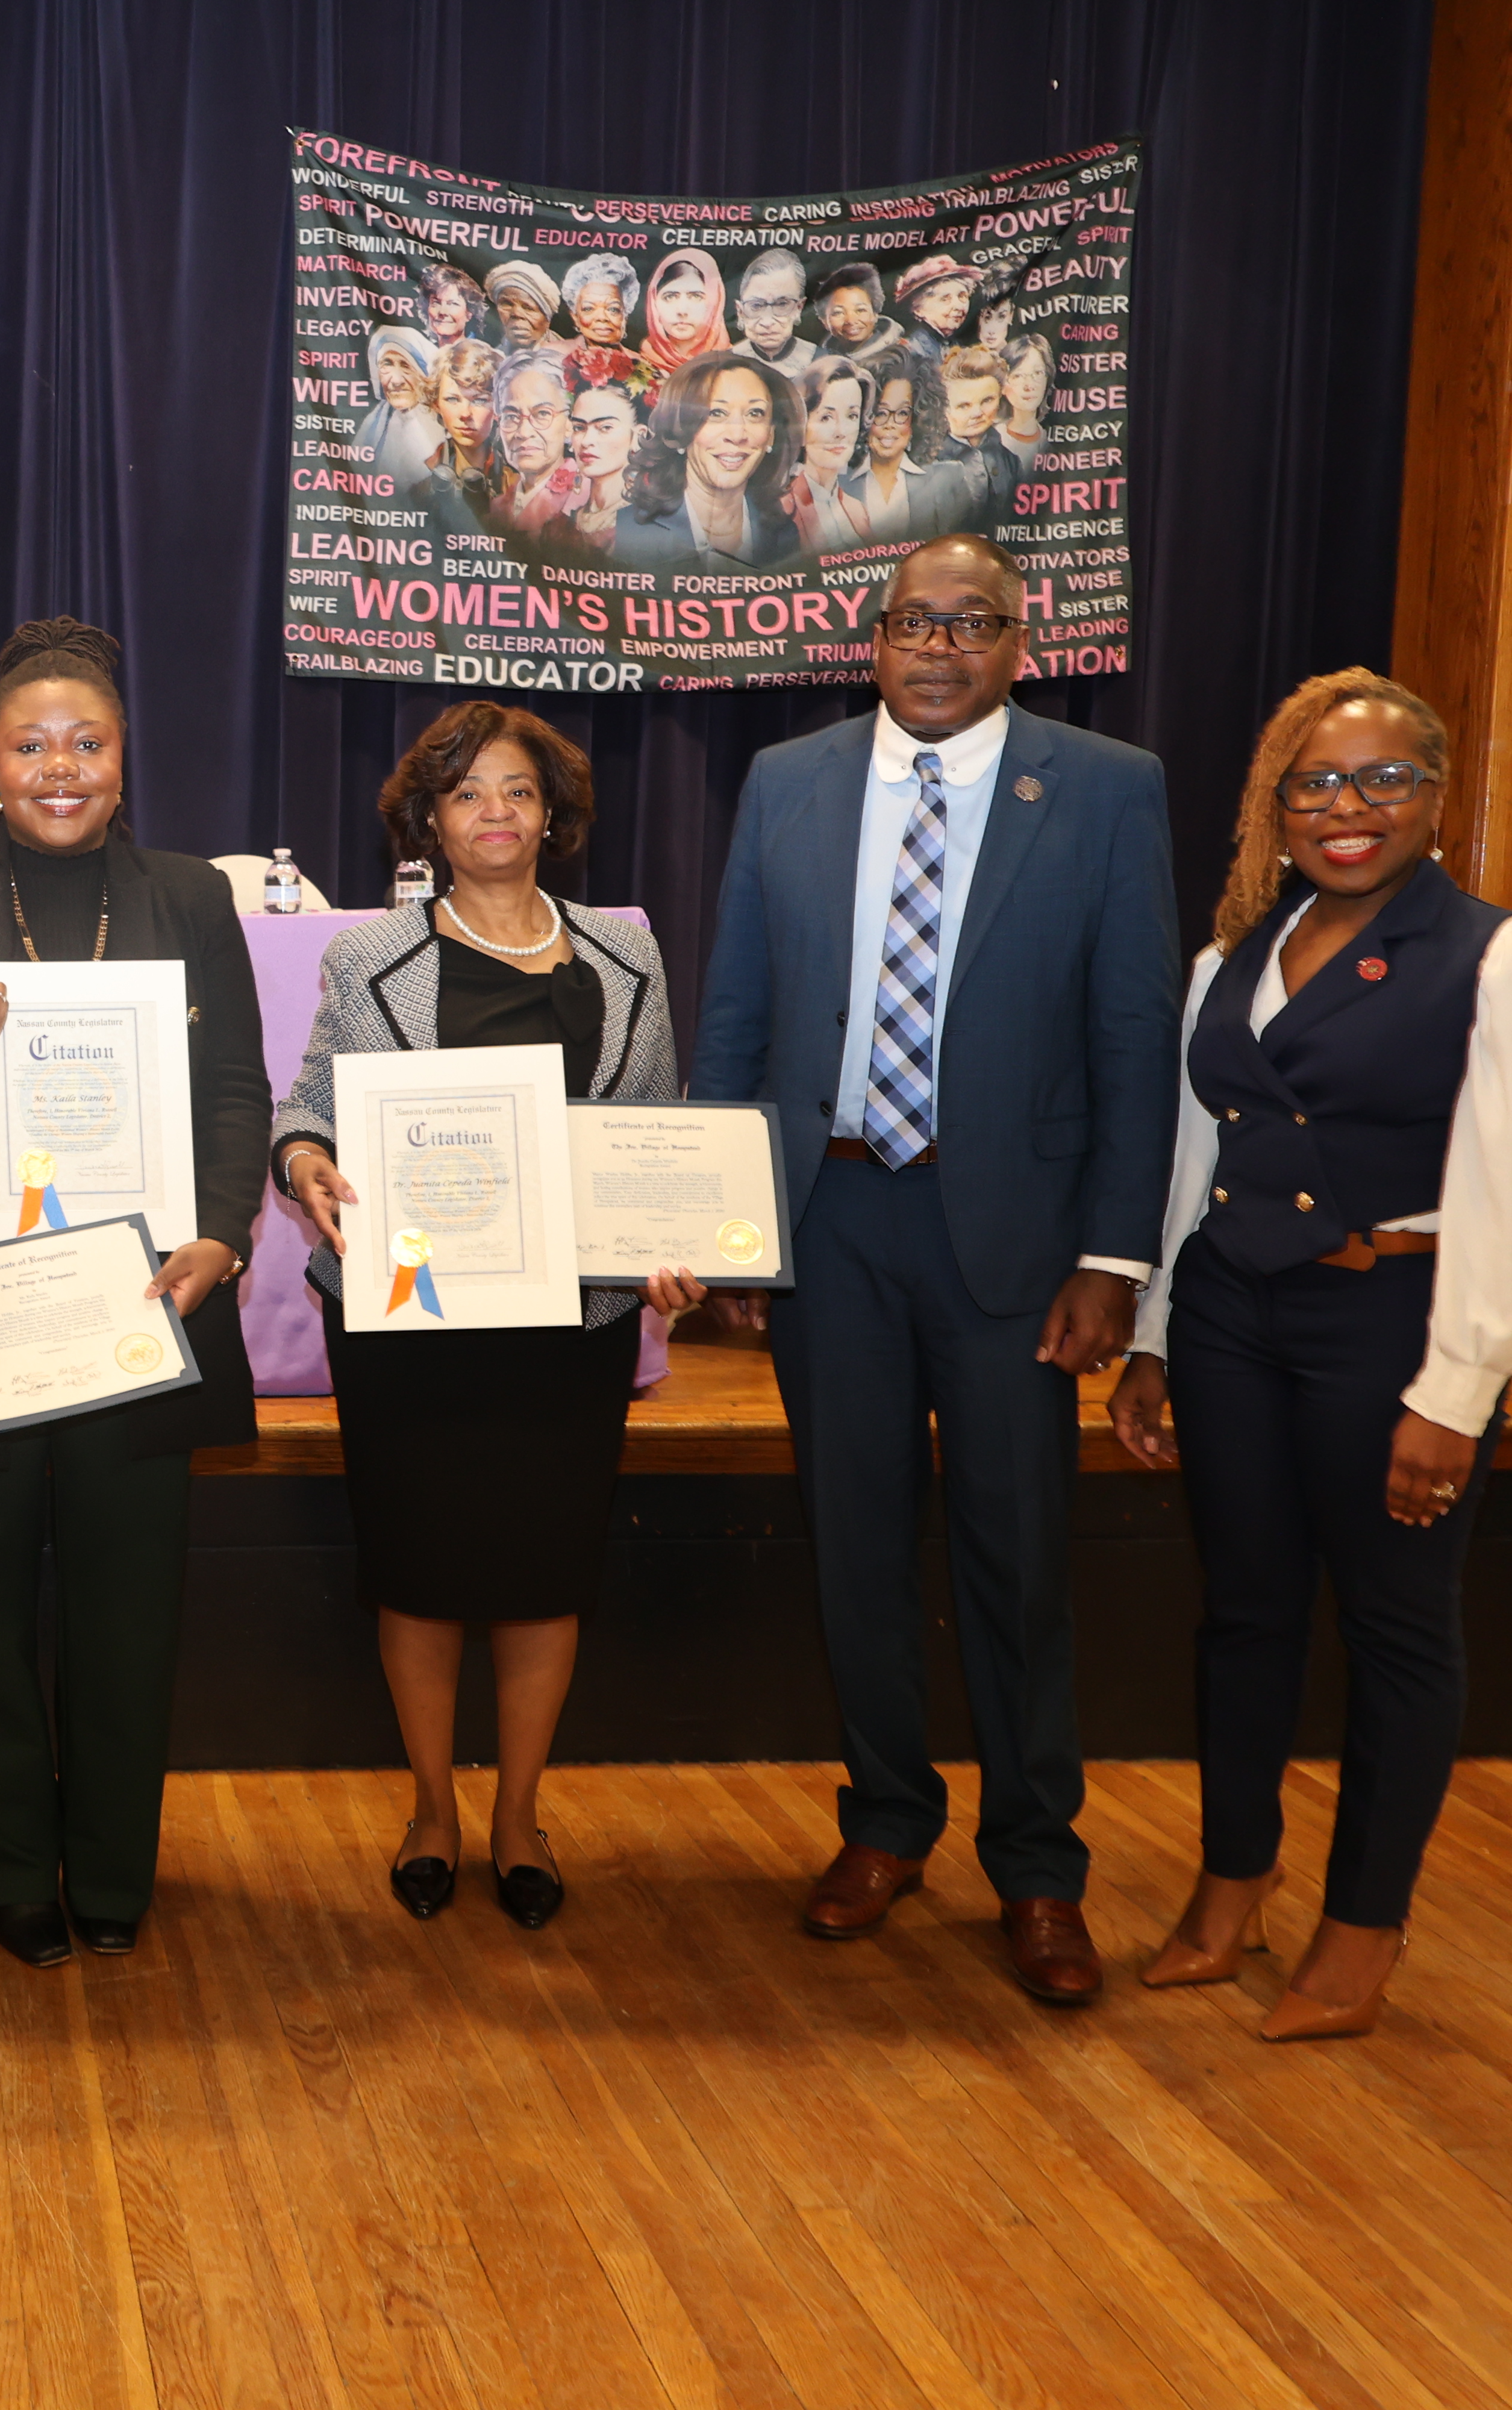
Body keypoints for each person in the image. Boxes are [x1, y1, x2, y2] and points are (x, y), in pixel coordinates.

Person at [691, 533, 1181, 2004]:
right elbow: (737, 1013)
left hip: (1015, 1240)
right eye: (916, 620)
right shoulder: (788, 780)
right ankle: (887, 1822)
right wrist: (733, 1222)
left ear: (1022, 643)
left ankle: (1038, 1865)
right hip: (832, 1219)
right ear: (876, 635)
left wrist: (1114, 1257)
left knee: (1017, 1557)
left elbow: (1133, 1038)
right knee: (853, 1543)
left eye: (974, 623)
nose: (940, 647)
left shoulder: (1106, 789)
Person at [0, 616, 269, 1969]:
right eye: (31, 744)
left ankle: (115, 1868)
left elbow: (235, 1090)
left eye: (86, 742)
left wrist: (224, 1233)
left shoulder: (187, 896)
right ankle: (7, 1864)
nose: (59, 766)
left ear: (124, 760)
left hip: (143, 1298)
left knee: (130, 1600)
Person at [1110, 671, 1505, 2040]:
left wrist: (1457, 1392)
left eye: (1384, 780)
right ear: (1274, 808)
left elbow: (1502, 1196)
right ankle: (1234, 1877)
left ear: (1434, 797)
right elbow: (1194, 1161)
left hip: (1390, 1324)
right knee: (1243, 1612)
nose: (1348, 808)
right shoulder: (1232, 957)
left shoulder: (1490, 958)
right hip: (1230, 1318)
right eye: (1316, 784)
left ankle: (1362, 1920)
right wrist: (1154, 1338)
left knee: (1396, 1627)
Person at [272, 705, 690, 1931]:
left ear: (552, 815)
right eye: (466, 793)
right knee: (418, 1570)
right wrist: (305, 1161)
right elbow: (307, 1104)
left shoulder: (625, 953)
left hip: (573, 1321)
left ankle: (516, 1814)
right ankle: (430, 1811)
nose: (495, 811)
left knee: (542, 1573)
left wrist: (669, 1241)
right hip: (413, 1316)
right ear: (429, 822)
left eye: (517, 790)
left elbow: (652, 1126)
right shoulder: (369, 956)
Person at [609, 355, 801, 573]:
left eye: (755, 413)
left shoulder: (783, 536)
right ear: (680, 428)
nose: (737, 435)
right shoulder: (630, 530)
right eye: (716, 413)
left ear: (772, 435)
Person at [836, 369, 974, 548]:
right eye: (880, 413)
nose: (890, 425)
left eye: (902, 413)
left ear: (917, 418)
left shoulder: (948, 479)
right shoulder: (836, 485)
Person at [485, 349, 584, 540]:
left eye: (542, 414)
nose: (523, 432)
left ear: (570, 424)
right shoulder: (497, 508)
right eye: (511, 416)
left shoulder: (584, 502)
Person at [782, 356, 875, 555]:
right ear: (800, 425)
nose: (841, 431)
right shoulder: (782, 510)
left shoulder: (858, 510)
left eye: (852, 416)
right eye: (826, 418)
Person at [353, 325, 448, 507]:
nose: (396, 381)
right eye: (387, 364)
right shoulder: (375, 423)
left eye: (406, 366)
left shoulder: (442, 424)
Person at [546, 379, 640, 557]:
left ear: (637, 437)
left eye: (605, 428)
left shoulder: (649, 526)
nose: (586, 441)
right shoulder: (558, 527)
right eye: (579, 428)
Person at [929, 345, 1023, 523]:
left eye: (987, 400)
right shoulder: (927, 463)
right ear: (942, 407)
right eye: (964, 406)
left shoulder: (1010, 462)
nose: (977, 413)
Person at [431, 337, 504, 513]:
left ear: (499, 406)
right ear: (436, 404)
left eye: (479, 400)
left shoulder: (517, 484)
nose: (465, 414)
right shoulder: (418, 482)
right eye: (452, 399)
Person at [637, 249, 728, 385]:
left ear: (716, 303)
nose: (682, 311)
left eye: (696, 297)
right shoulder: (635, 367)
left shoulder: (736, 368)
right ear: (653, 304)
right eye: (670, 297)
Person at [555, 254, 643, 392]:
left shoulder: (642, 366)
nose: (602, 317)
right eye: (589, 309)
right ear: (575, 317)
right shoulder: (553, 357)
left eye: (613, 309)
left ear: (625, 316)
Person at [894, 254, 980, 386]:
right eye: (945, 299)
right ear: (918, 309)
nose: (958, 306)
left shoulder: (958, 346)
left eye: (962, 296)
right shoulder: (911, 351)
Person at [734, 247, 818, 371]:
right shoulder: (723, 365)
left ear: (799, 308)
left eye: (782, 304)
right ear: (740, 311)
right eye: (756, 306)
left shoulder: (823, 363)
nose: (767, 322)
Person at [813, 263, 904, 370]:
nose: (851, 321)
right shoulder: (820, 366)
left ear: (875, 314)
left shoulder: (902, 356)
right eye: (838, 313)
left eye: (860, 310)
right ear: (824, 321)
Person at [481, 260, 561, 353]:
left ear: (547, 320)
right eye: (507, 304)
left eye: (528, 308)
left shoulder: (567, 358)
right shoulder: (490, 358)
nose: (516, 313)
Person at [998, 331, 1055, 461]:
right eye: (1018, 376)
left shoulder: (1052, 443)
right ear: (1003, 384)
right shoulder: (992, 443)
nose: (1029, 385)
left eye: (1038, 373)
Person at [416, 259, 487, 352]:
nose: (442, 312)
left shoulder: (481, 357)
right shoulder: (422, 353)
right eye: (436, 303)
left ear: (469, 314)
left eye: (453, 304)